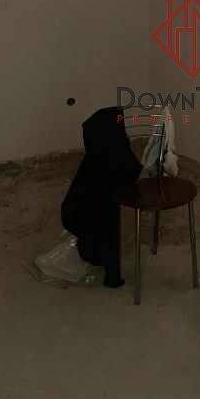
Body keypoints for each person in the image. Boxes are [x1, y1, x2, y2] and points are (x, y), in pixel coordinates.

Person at [61, 107, 142, 287]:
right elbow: (131, 171)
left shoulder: (99, 158)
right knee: (105, 218)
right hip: (84, 217)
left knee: (103, 219)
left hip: (80, 215)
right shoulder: (111, 161)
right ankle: (97, 256)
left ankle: (94, 253)